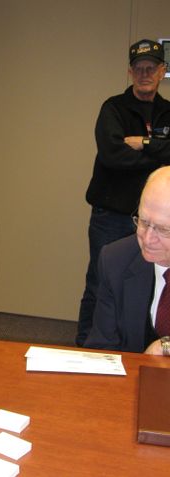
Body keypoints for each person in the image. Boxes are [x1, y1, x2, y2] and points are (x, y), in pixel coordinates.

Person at [76, 39, 170, 346]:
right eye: (139, 68)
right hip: (112, 217)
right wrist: (160, 151)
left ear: (162, 71)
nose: (145, 74)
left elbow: (134, 155)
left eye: (152, 68)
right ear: (130, 72)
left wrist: (142, 143)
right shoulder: (113, 108)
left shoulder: (167, 112)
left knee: (150, 284)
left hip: (156, 216)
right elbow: (112, 155)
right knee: (103, 282)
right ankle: (86, 350)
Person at [84, 166, 170, 355]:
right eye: (143, 221)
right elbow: (102, 349)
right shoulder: (116, 260)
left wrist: (165, 346)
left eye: (163, 230)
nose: (147, 239)